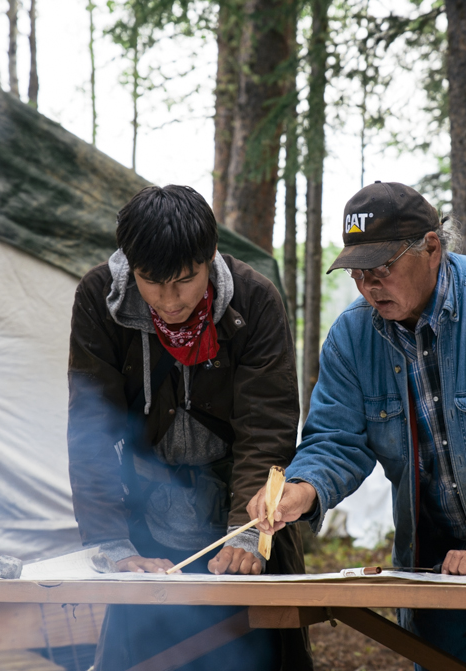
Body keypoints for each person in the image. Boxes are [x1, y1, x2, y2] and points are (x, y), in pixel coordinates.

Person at [250, 182, 466, 670]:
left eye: (383, 268)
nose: (370, 285)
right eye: (358, 272)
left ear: (432, 247)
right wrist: (303, 488)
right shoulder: (351, 337)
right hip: (432, 553)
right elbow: (334, 438)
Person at [67, 185, 311, 671]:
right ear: (130, 264)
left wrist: (246, 535)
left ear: (211, 255)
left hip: (242, 511)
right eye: (151, 282)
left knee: (261, 656)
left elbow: (266, 428)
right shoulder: (99, 298)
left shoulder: (255, 300)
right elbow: (91, 428)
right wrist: (111, 543)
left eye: (184, 280)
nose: (169, 300)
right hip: (146, 520)